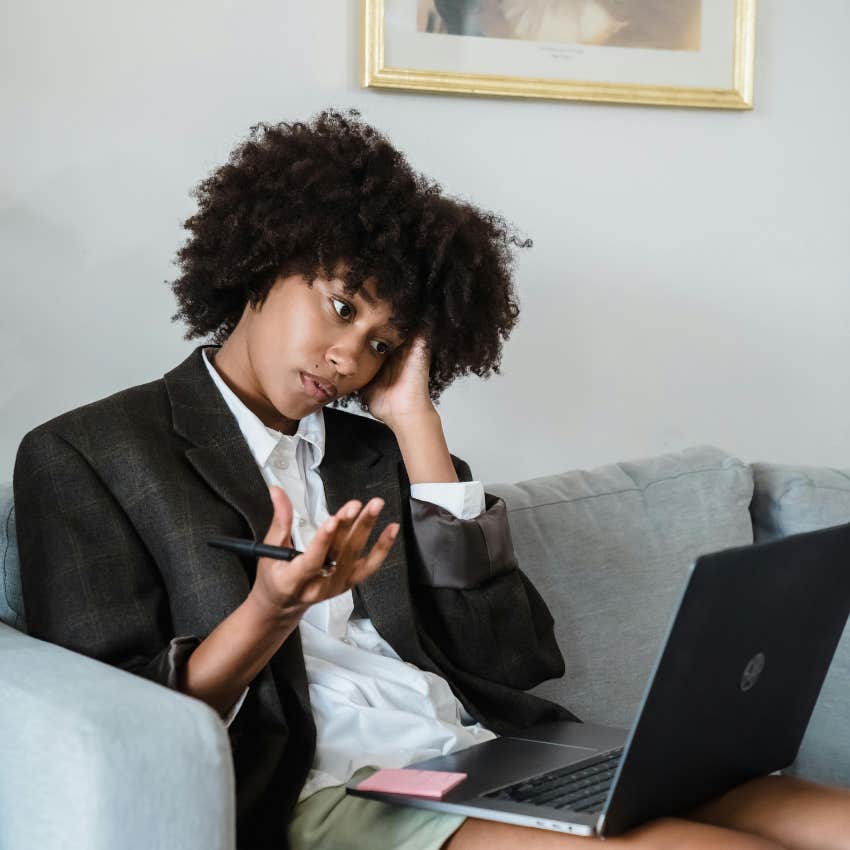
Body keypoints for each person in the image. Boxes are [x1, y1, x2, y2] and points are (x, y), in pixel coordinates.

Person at [13, 110, 850, 850]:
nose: (349, 359)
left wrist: (414, 420)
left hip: (484, 755)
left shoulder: (372, 453)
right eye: (343, 309)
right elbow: (121, 723)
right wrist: (273, 610)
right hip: (334, 789)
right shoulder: (89, 454)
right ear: (266, 260)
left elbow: (512, 658)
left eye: (382, 341)